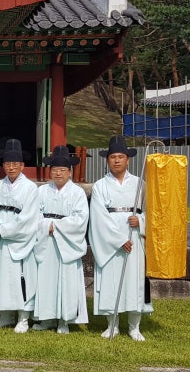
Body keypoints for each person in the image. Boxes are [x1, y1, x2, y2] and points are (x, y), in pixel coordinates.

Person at [89, 135, 152, 341]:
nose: (117, 160)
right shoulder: (100, 186)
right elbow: (98, 217)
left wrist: (140, 221)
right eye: (113, 157)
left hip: (134, 237)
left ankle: (134, 327)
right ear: (107, 160)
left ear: (128, 159)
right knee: (111, 280)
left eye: (120, 156)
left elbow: (152, 213)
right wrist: (117, 240)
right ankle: (112, 324)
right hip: (110, 241)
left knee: (134, 280)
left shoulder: (140, 184)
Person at [32, 145, 89, 334]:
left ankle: (65, 319)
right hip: (46, 240)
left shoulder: (77, 193)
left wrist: (55, 226)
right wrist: (44, 226)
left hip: (66, 242)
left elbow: (80, 219)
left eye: (63, 170)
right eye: (55, 169)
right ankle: (46, 318)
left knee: (67, 281)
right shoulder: (41, 191)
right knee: (46, 280)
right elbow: (33, 215)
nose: (58, 173)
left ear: (69, 172)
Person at [0, 139, 39, 333]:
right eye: (8, 164)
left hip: (20, 241)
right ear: (3, 166)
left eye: (15, 164)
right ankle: (5, 316)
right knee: (1, 278)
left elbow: (28, 218)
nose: (11, 167)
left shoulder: (30, 188)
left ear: (22, 165)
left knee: (21, 279)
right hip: (0, 240)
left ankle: (23, 317)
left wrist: (6, 231)